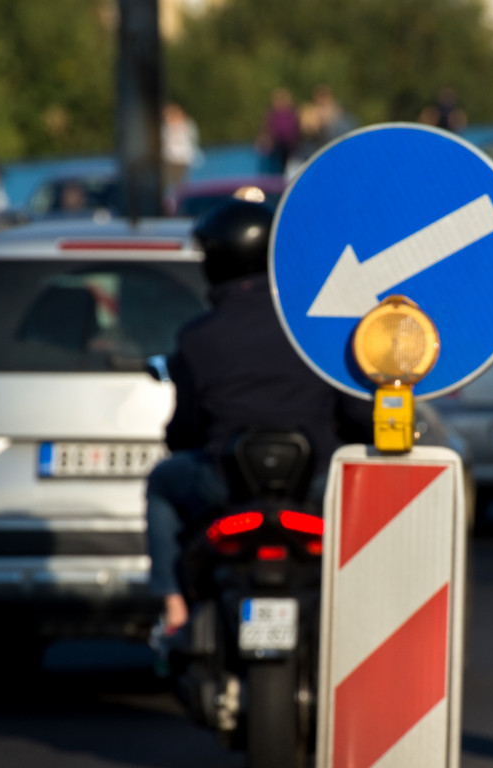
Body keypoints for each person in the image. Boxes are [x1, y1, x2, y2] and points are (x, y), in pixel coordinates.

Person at [145, 199, 370, 632]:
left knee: (161, 481)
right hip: (316, 480)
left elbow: (184, 430)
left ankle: (173, 607)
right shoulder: (318, 327)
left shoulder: (196, 337)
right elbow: (358, 414)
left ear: (216, 261)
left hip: (227, 486)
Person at [258, 88, 301, 176]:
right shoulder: (271, 114)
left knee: (289, 167)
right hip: (275, 146)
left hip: (290, 147)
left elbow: (297, 129)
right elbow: (266, 129)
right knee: (274, 167)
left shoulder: (293, 113)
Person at [161, 102, 201, 193]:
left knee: (178, 184)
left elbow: (191, 141)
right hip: (170, 159)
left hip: (179, 159)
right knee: (170, 183)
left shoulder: (186, 125)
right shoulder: (166, 127)